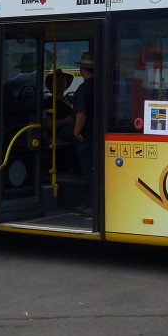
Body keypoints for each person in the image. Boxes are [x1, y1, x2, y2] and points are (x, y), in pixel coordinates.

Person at [70, 52, 96, 215]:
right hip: (97, 135)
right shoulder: (100, 85)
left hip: (87, 136)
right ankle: (87, 202)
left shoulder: (84, 87)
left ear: (82, 69)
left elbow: (82, 112)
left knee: (89, 172)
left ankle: (91, 204)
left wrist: (76, 131)